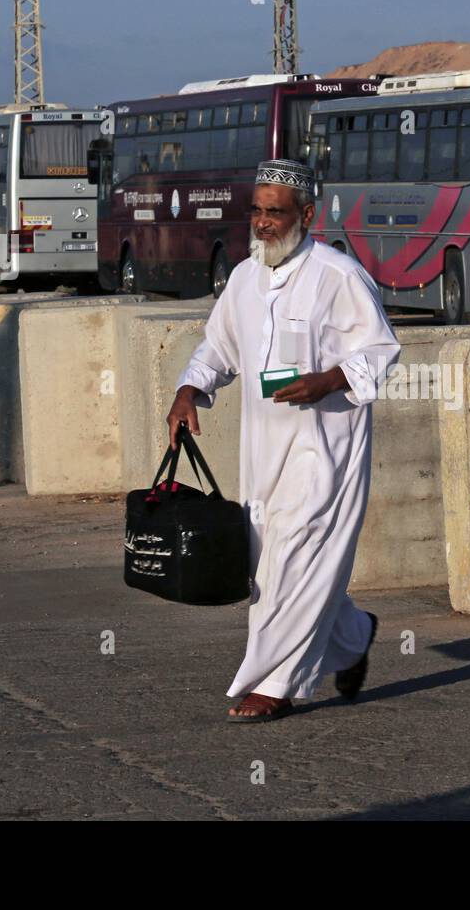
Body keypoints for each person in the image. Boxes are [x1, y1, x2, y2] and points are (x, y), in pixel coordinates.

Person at [165, 159, 401, 723]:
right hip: (262, 451)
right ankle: (350, 634)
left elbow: (381, 353)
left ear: (307, 215)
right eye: (257, 211)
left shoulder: (337, 275)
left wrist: (327, 380)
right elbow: (218, 348)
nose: (264, 223)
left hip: (326, 448)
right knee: (270, 558)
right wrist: (188, 390)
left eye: (276, 213)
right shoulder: (246, 277)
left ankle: (277, 683)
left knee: (292, 557)